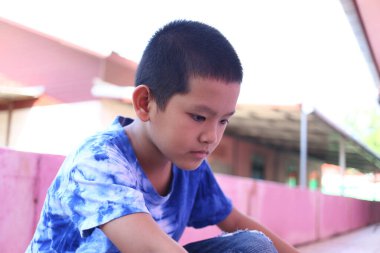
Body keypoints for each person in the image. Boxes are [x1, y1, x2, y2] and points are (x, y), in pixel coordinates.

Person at [26, 20, 299, 253]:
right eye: (199, 117)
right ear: (145, 103)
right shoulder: (98, 160)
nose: (211, 137)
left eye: (223, 120)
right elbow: (149, 249)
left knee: (251, 247)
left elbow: (235, 220)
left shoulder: (191, 168)